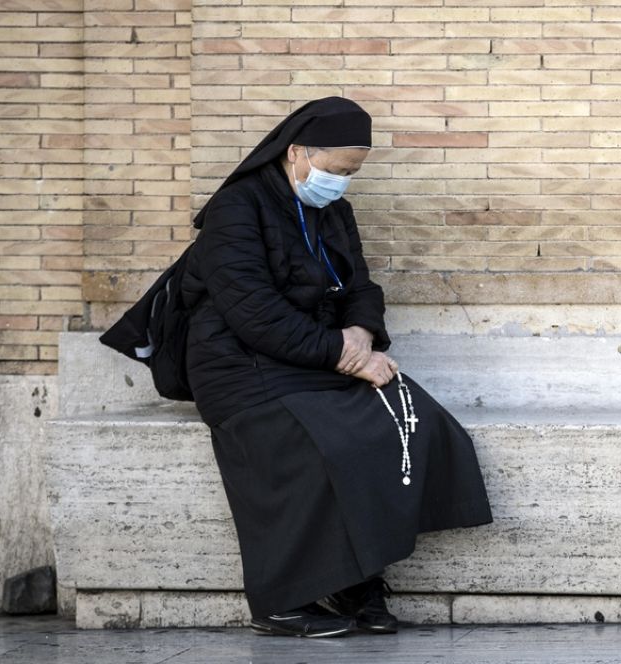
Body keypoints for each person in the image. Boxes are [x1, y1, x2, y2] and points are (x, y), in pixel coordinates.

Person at [179, 96, 494, 638]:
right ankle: (281, 600)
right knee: (322, 440)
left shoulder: (333, 211)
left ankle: (357, 579)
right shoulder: (238, 207)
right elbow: (254, 312)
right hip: (240, 365)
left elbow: (361, 288)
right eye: (339, 169)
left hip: (320, 355)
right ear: (298, 152)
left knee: (408, 417)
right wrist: (345, 355)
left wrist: (362, 333)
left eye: (353, 172)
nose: (343, 182)